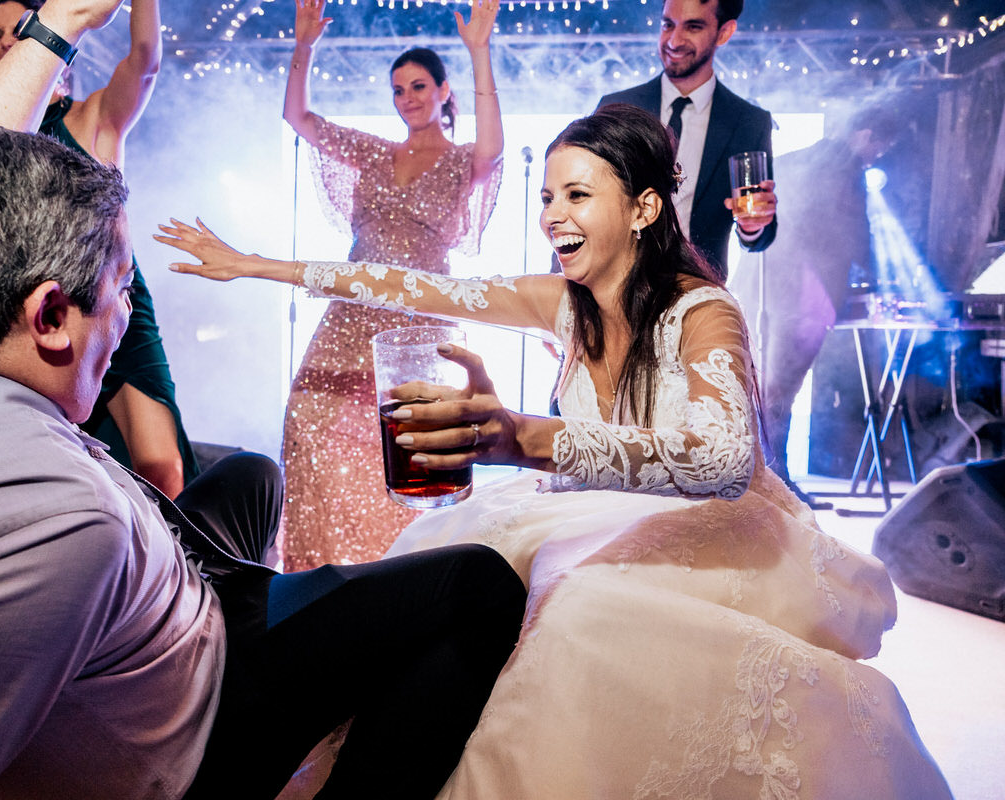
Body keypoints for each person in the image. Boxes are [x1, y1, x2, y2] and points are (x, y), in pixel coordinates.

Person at [0, 3, 526, 796]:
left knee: (252, 477)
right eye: (120, 288)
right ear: (49, 316)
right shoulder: (56, 530)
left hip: (183, 592)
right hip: (205, 695)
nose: (129, 318)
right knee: (481, 587)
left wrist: (61, 25)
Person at [158, 104, 953, 799]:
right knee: (437, 582)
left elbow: (724, 462)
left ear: (643, 208)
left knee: (573, 625)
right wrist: (260, 265)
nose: (552, 216)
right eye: (547, 196)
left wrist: (523, 439)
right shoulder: (556, 302)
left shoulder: (704, 311)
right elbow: (401, 283)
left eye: (577, 196)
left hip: (710, 537)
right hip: (573, 517)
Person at [278, 0, 504, 570]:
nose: (409, 98)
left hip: (420, 326)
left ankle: (404, 572)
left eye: (420, 86)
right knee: (306, 417)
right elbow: (298, 119)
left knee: (413, 445)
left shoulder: (459, 163)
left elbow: (493, 147)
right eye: (399, 89)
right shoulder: (373, 152)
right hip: (349, 318)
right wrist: (304, 44)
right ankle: (320, 574)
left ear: (444, 90)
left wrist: (480, 51)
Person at [0, 0, 197, 499]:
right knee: (64, 465)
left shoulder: (90, 117)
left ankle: (175, 569)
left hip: (111, 299)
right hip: (36, 312)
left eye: (22, 28)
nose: (7, 40)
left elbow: (145, 59)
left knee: (160, 464)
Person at [730, 107, 898, 509]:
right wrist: (881, 277)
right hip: (801, 298)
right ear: (866, 134)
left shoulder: (794, 158)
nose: (879, 155)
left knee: (753, 387)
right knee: (779, 394)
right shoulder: (847, 170)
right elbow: (854, 233)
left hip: (757, 288)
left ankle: (758, 478)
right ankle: (776, 485)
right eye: (881, 146)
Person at [595, 0, 776, 281]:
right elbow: (586, 201)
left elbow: (759, 238)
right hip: (615, 290)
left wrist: (753, 224)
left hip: (700, 298)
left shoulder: (748, 122)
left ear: (724, 32)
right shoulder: (616, 107)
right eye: (668, 25)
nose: (674, 40)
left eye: (693, 27)